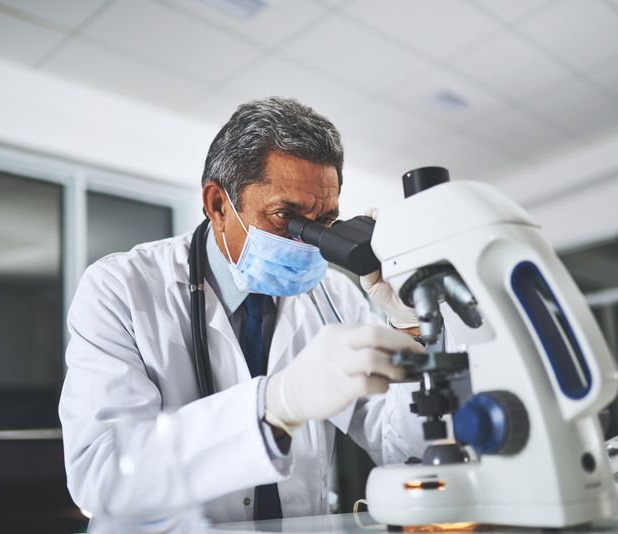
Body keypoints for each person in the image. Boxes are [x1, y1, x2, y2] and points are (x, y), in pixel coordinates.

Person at [59, 97, 430, 523]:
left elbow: (403, 447)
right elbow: (100, 477)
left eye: (325, 221)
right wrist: (275, 406)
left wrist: (411, 326)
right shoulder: (120, 289)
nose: (309, 242)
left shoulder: (335, 297)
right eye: (286, 217)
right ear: (218, 205)